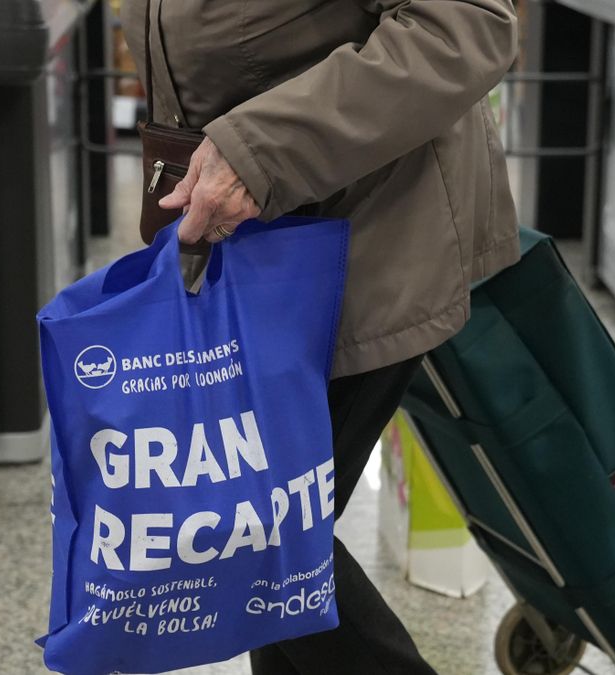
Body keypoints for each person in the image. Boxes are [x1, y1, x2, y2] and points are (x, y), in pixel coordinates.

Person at [120, 0, 521, 671]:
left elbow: (467, 26)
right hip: (255, 250)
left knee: (250, 536)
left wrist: (259, 150)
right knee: (267, 553)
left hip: (366, 240)